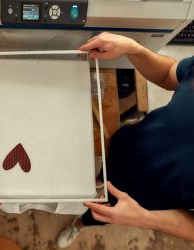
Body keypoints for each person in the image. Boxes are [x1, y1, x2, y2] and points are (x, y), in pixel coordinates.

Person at [56, 32, 194, 248]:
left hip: (150, 197)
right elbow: (169, 73)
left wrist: (144, 218)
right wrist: (134, 49)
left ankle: (80, 224)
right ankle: (98, 180)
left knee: (101, 212)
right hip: (128, 146)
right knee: (102, 175)